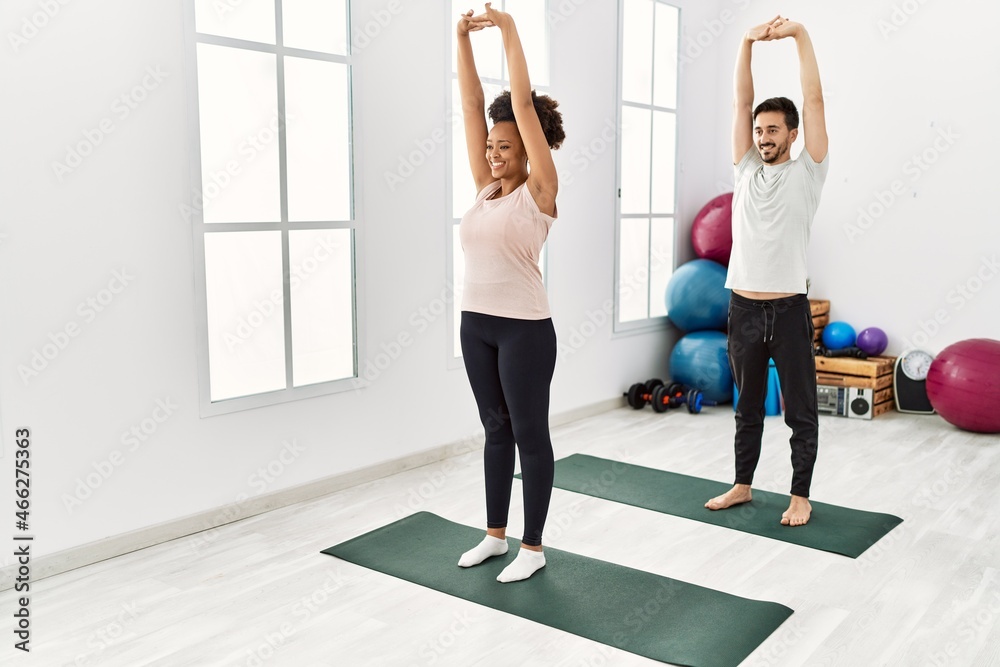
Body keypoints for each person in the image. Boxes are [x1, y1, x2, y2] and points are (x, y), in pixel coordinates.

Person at [453, 4, 565, 582]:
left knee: (528, 434)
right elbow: (472, 105)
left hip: (524, 329)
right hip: (477, 325)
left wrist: (507, 29)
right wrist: (460, 38)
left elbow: (520, 105)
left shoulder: (539, 192)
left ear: (527, 147)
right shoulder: (485, 189)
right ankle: (496, 535)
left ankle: (533, 546)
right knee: (495, 430)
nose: (494, 154)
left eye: (506, 146)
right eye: (491, 146)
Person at [705, 16, 829, 527]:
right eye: (759, 130)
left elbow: (816, 99)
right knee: (746, 406)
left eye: (772, 129)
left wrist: (799, 36)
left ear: (793, 133)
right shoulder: (746, 168)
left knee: (799, 408)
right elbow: (740, 100)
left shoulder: (809, 170)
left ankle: (800, 494)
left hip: (788, 306)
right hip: (744, 306)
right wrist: (745, 42)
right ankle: (742, 484)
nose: (762, 137)